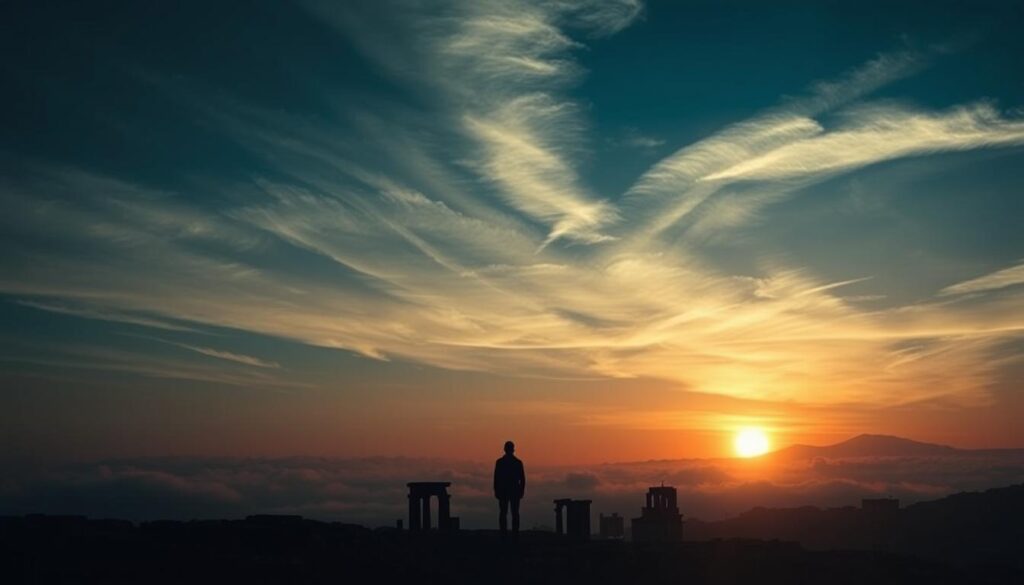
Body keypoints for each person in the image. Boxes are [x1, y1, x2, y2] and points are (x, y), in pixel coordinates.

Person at [493, 440, 526, 538]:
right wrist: (521, 490)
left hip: (505, 491)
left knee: (505, 513)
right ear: (513, 450)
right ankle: (513, 534)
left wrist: (496, 490)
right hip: (513, 491)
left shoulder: (500, 462)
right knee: (512, 513)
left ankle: (505, 534)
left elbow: (496, 478)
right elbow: (522, 479)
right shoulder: (517, 462)